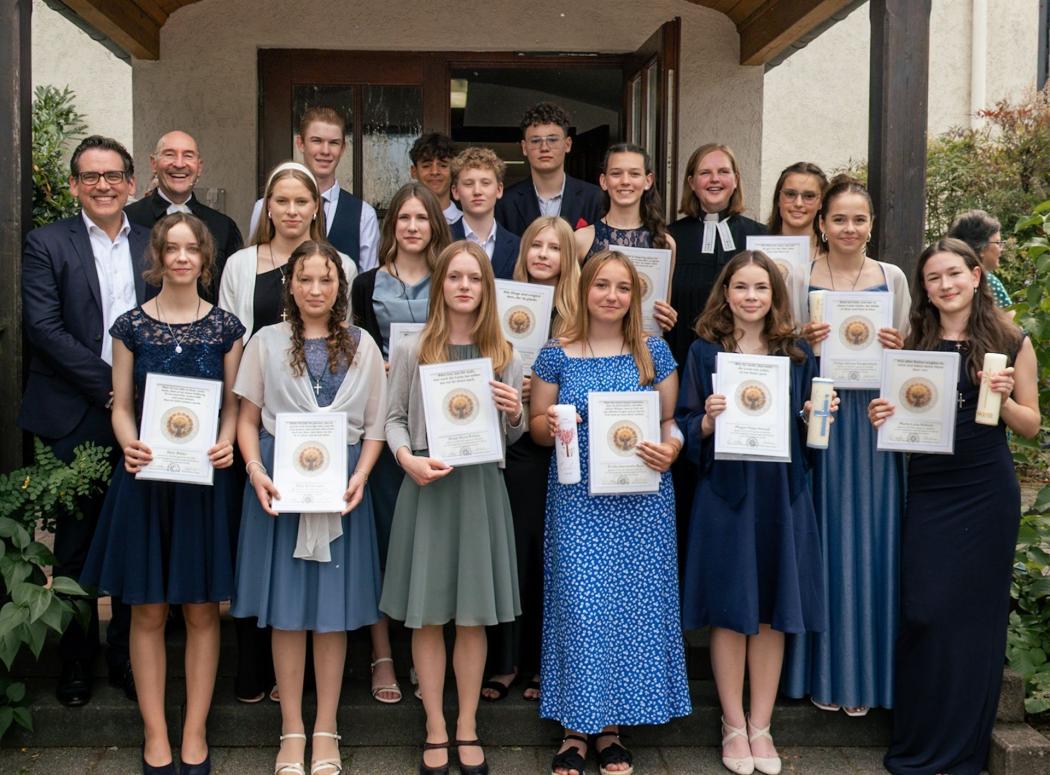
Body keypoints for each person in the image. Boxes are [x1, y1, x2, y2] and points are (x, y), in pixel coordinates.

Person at [79, 213, 245, 774]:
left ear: (205, 258)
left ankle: (194, 731)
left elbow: (233, 407)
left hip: (203, 484)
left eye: (190, 249)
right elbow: (121, 405)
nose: (181, 258)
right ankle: (155, 733)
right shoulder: (129, 326)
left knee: (201, 610)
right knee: (146, 611)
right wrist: (128, 443)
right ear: (157, 257)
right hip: (146, 479)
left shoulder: (226, 328)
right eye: (171, 249)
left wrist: (227, 441)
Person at [872, 238, 1039, 775]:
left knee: (974, 620)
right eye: (933, 278)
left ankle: (962, 749)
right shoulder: (915, 341)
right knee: (924, 611)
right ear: (924, 288)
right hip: (930, 490)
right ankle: (921, 739)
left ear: (975, 275)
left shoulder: (1011, 340)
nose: (944, 285)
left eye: (953, 274)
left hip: (986, 492)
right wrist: (884, 416)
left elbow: (1031, 426)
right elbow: (904, 420)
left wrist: (1003, 397)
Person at [530, 249, 691, 775]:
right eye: (602, 285)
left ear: (635, 296)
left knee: (629, 610)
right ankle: (576, 728)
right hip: (578, 498)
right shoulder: (556, 353)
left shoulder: (653, 351)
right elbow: (535, 425)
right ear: (584, 290)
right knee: (582, 608)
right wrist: (554, 422)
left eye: (623, 288)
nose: (612, 296)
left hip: (641, 501)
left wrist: (673, 448)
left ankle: (612, 728)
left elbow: (669, 420)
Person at [232, 240, 387, 775]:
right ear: (290, 285)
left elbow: (375, 426)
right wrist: (256, 471)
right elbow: (247, 420)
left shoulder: (364, 345)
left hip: (342, 489)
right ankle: (291, 730)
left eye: (326, 279)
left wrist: (361, 476)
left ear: (340, 286)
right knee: (288, 611)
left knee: (331, 614)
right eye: (305, 279)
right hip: (280, 488)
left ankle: (326, 729)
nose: (315, 289)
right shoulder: (265, 342)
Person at [676, 250, 832, 775]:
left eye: (760, 288)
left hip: (780, 493)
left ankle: (761, 725)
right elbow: (684, 424)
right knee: (730, 607)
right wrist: (706, 421)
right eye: (741, 287)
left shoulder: (797, 353)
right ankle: (732, 724)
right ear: (725, 293)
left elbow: (812, 439)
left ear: (774, 295)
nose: (750, 296)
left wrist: (813, 418)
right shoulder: (704, 352)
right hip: (726, 493)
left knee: (770, 609)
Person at [380, 240, 525, 775]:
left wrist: (515, 412)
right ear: (440, 284)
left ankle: (466, 724)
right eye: (455, 277)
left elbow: (511, 437)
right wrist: (406, 459)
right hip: (428, 486)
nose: (465, 286)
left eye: (475, 278)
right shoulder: (415, 348)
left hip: (480, 490)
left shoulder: (504, 354)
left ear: (487, 288)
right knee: (427, 616)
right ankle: (435, 727)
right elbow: (393, 419)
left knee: (471, 617)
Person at [19, 134, 151, 707]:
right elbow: (44, 329)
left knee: (132, 537)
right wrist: (109, 386)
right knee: (74, 545)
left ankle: (125, 655)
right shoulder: (46, 243)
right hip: (75, 412)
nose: (103, 185)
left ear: (131, 183)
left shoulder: (152, 242)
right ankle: (75, 659)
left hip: (144, 414)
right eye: (91, 176)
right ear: (74, 185)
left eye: (113, 175)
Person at [782, 175, 911, 716]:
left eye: (859, 219)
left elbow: (910, 356)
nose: (849, 228)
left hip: (875, 423)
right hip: (822, 419)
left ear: (872, 224)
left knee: (874, 541)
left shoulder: (893, 277)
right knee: (823, 539)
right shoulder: (798, 275)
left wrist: (899, 346)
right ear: (822, 223)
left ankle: (869, 676)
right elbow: (779, 347)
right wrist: (800, 339)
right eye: (839, 219)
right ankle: (819, 671)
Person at [350, 182, 451, 704]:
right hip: (384, 425)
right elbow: (352, 349)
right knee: (385, 542)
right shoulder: (366, 284)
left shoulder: (451, 278)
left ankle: (423, 651)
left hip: (440, 429)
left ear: (436, 224)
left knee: (428, 547)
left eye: (422, 218)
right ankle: (383, 654)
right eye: (404, 218)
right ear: (392, 226)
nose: (413, 227)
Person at [481, 215, 579, 704]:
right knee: (514, 551)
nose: (543, 254)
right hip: (516, 444)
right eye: (536, 246)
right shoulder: (499, 302)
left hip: (562, 446)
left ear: (568, 258)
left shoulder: (579, 316)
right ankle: (506, 660)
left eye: (554, 248)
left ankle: (546, 664)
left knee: (550, 557)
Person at [221, 162, 358, 343]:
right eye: (282, 201)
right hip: (255, 361)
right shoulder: (238, 264)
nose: (292, 211)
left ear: (316, 206)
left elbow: (344, 335)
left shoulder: (342, 266)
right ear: (268, 206)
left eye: (301, 202)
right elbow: (227, 340)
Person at [666, 143, 767, 371]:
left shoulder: (761, 237)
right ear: (691, 182)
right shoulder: (669, 238)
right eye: (705, 173)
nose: (714, 179)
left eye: (723, 171)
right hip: (681, 355)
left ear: (736, 180)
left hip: (744, 360)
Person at [249, 106, 379, 271]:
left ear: (343, 148)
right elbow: (252, 268)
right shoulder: (265, 207)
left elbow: (367, 281)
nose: (325, 151)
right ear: (300, 143)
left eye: (333, 143)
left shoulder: (364, 215)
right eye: (317, 141)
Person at [125, 130, 243, 301]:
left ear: (199, 167)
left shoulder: (223, 227)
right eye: (169, 154)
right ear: (154, 163)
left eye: (188, 156)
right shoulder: (128, 220)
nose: (179, 164)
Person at [575, 143, 678, 333]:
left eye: (634, 174)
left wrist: (666, 316)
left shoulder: (664, 243)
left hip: (643, 344)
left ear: (648, 181)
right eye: (616, 174)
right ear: (603, 181)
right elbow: (571, 304)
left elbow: (662, 307)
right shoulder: (581, 239)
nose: (625, 181)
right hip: (592, 344)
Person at [495, 102, 603, 236]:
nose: (544, 148)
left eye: (552, 140)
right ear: (524, 147)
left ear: (567, 144)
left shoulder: (595, 198)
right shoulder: (505, 202)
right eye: (535, 141)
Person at [765, 162, 828, 321]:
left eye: (809, 196)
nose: (798, 203)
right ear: (778, 199)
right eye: (790, 194)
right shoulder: (758, 250)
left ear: (821, 202)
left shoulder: (833, 254)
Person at [450, 147, 520, 279]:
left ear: (499, 190)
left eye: (485, 183)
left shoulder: (518, 246)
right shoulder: (440, 240)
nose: (477, 191)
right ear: (455, 191)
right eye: (468, 184)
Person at [947, 209, 1012, 308]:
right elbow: (1010, 317)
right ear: (981, 248)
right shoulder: (988, 282)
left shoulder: (945, 279)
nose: (1001, 249)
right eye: (998, 243)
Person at [410, 132, 462, 225]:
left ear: (454, 171)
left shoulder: (468, 224)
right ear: (414, 171)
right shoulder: (403, 223)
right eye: (426, 166)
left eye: (443, 165)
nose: (434, 172)